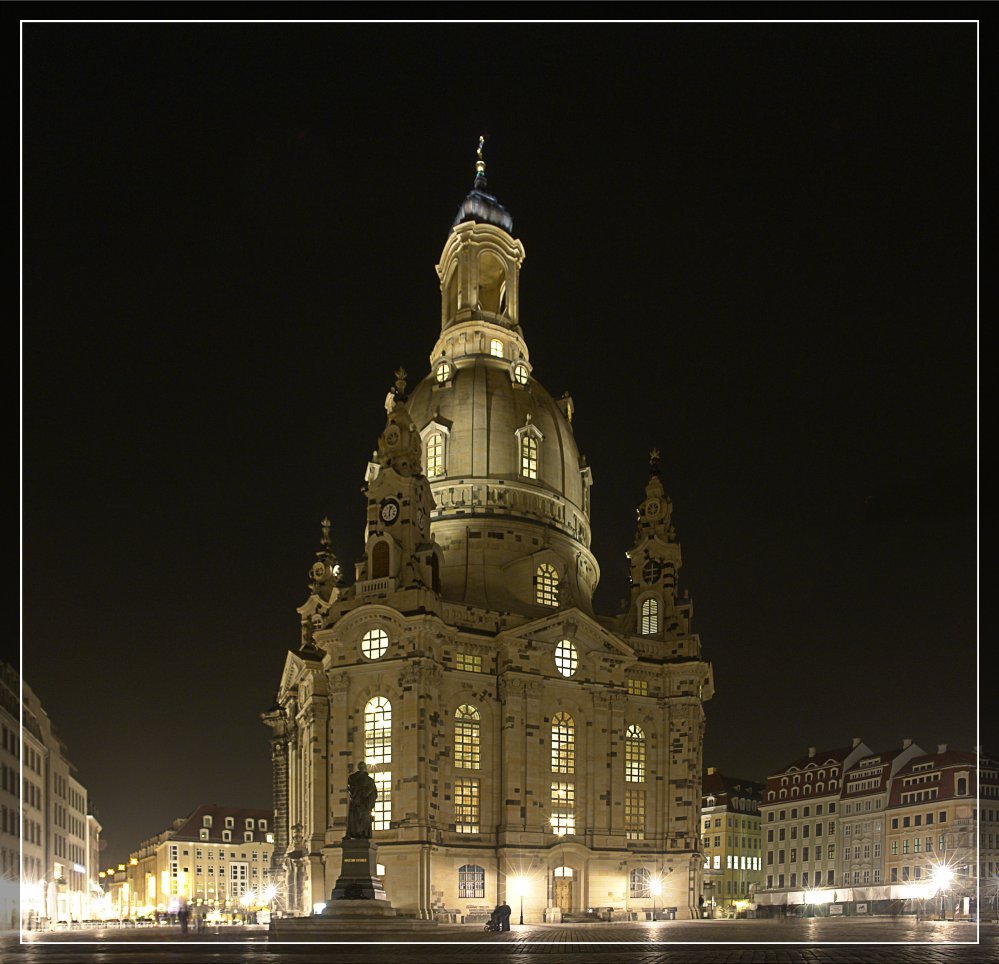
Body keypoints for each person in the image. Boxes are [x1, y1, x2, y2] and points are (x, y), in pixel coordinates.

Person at [345, 761, 379, 838]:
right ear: (365, 768)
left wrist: (356, 795)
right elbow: (374, 794)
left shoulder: (352, 778)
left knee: (354, 821)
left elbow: (350, 789)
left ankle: (351, 834)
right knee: (364, 822)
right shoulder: (370, 780)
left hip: (355, 803)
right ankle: (363, 833)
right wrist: (367, 797)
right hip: (364, 804)